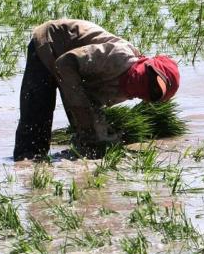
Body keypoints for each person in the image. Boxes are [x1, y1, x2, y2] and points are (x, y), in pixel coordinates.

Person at [13, 19, 180, 161]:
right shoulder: (118, 57)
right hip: (49, 43)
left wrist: (100, 133)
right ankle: (24, 168)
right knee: (36, 124)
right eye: (152, 80)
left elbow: (92, 103)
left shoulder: (126, 90)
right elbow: (65, 63)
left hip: (74, 72)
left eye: (155, 93)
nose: (148, 88)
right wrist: (81, 108)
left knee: (88, 136)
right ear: (148, 65)